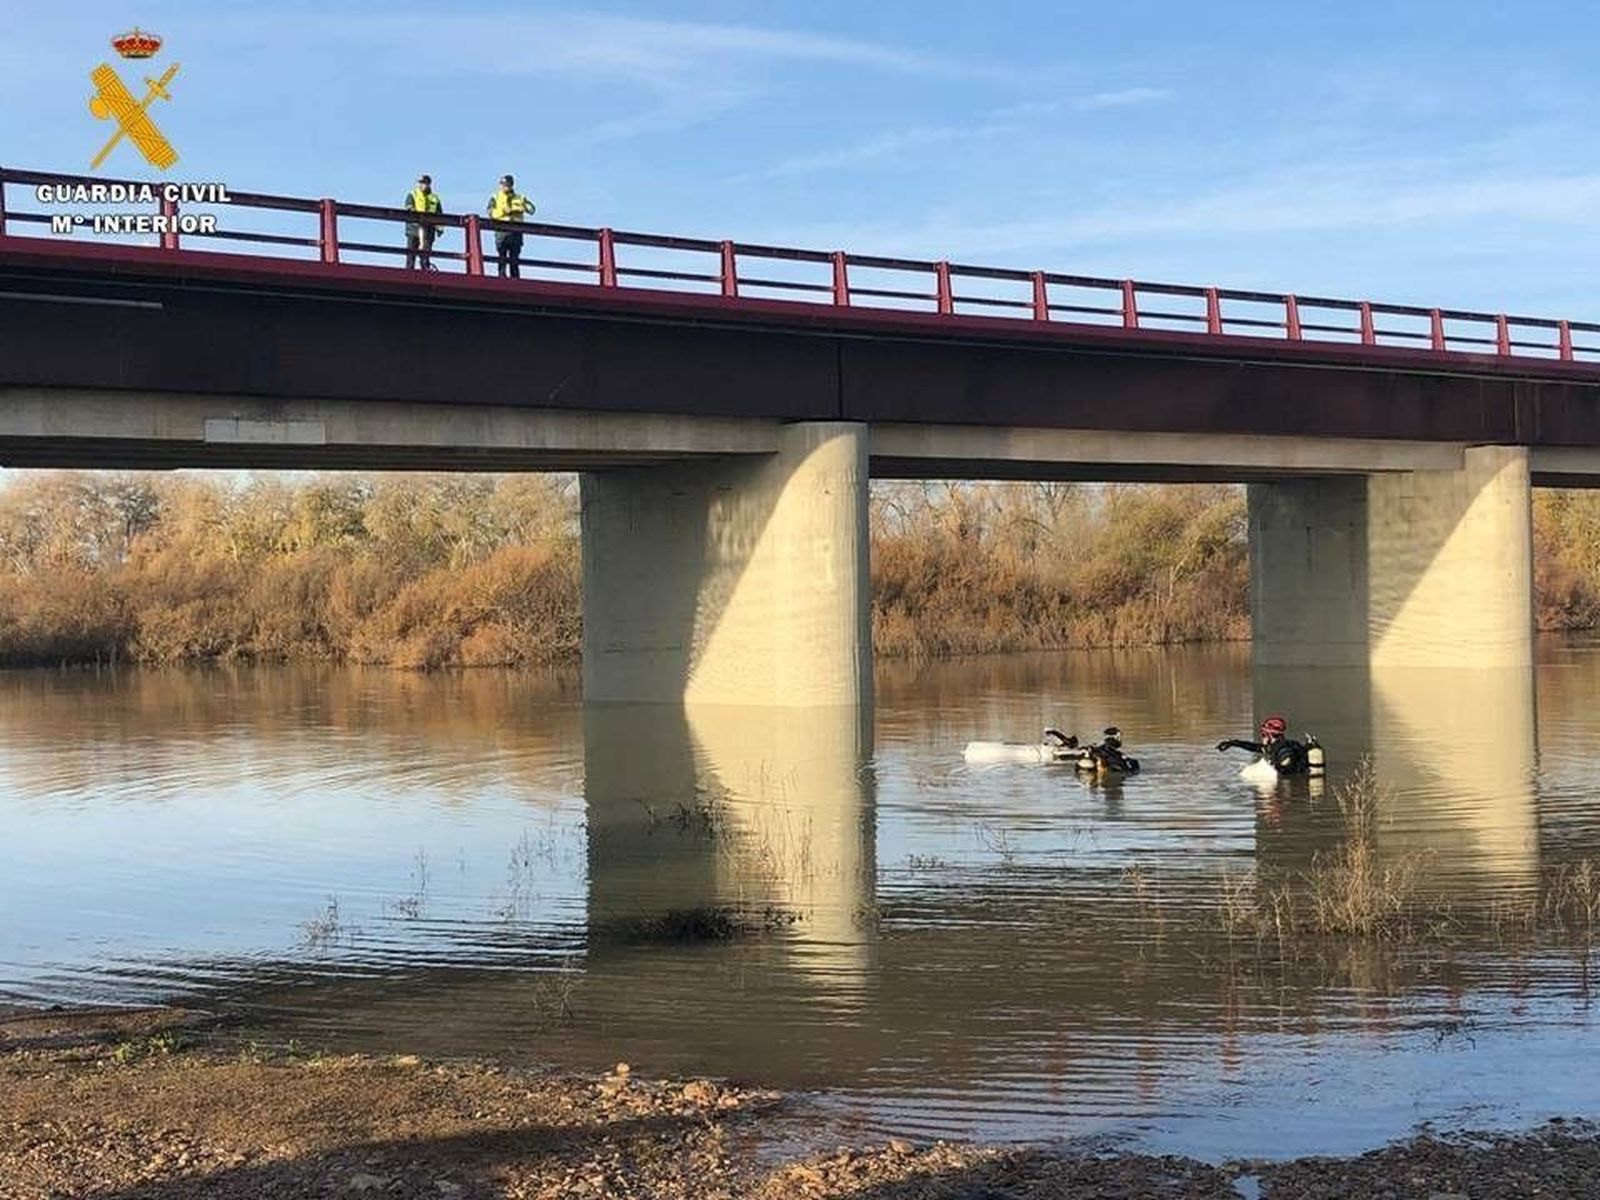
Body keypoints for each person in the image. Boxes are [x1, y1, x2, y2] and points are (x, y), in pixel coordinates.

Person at [1217, 715, 1310, 775]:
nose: (1262, 737)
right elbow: (1255, 747)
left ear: (1269, 735)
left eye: (1263, 734)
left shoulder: (1284, 750)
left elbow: (1287, 772)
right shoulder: (1280, 746)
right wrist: (1233, 743)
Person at [486, 174, 536, 277]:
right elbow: (490, 212)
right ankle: (502, 278)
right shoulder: (495, 197)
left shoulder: (520, 198)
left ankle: (515, 279)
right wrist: (504, 212)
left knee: (514, 259)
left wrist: (518, 209)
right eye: (503, 184)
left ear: (512, 185)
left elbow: (532, 209)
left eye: (507, 185)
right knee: (502, 257)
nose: (504, 187)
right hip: (501, 231)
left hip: (516, 232)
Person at [404, 174, 442, 270]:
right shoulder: (412, 194)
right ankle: (409, 272)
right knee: (411, 254)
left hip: (428, 229)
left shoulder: (434, 198)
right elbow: (408, 208)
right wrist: (417, 218)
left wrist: (439, 228)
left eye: (424, 183)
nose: (422, 185)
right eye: (420, 183)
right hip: (413, 228)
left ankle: (425, 271)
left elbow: (440, 214)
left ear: (429, 184)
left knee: (425, 255)